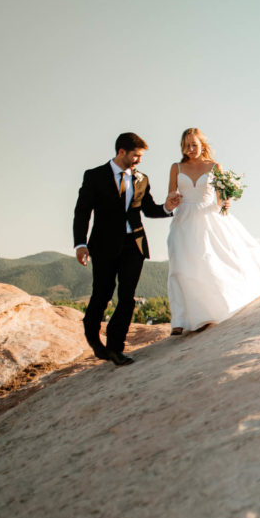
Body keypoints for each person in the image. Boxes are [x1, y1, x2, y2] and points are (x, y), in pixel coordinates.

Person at [166, 128, 260, 335]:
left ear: (202, 145)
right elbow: (171, 193)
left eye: (194, 144)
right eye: (186, 145)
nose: (190, 149)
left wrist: (227, 201)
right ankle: (180, 319)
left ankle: (208, 313)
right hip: (184, 219)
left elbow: (221, 198)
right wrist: (172, 201)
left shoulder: (214, 166)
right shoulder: (176, 167)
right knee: (181, 266)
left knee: (209, 262)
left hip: (209, 217)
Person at [73, 132, 181, 366]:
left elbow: (148, 208)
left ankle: (115, 348)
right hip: (103, 245)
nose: (139, 161)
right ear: (121, 152)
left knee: (127, 297)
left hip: (135, 244)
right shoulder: (94, 176)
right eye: (136, 155)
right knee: (102, 294)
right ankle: (93, 338)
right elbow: (82, 211)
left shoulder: (142, 179)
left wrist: (166, 207)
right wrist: (80, 243)